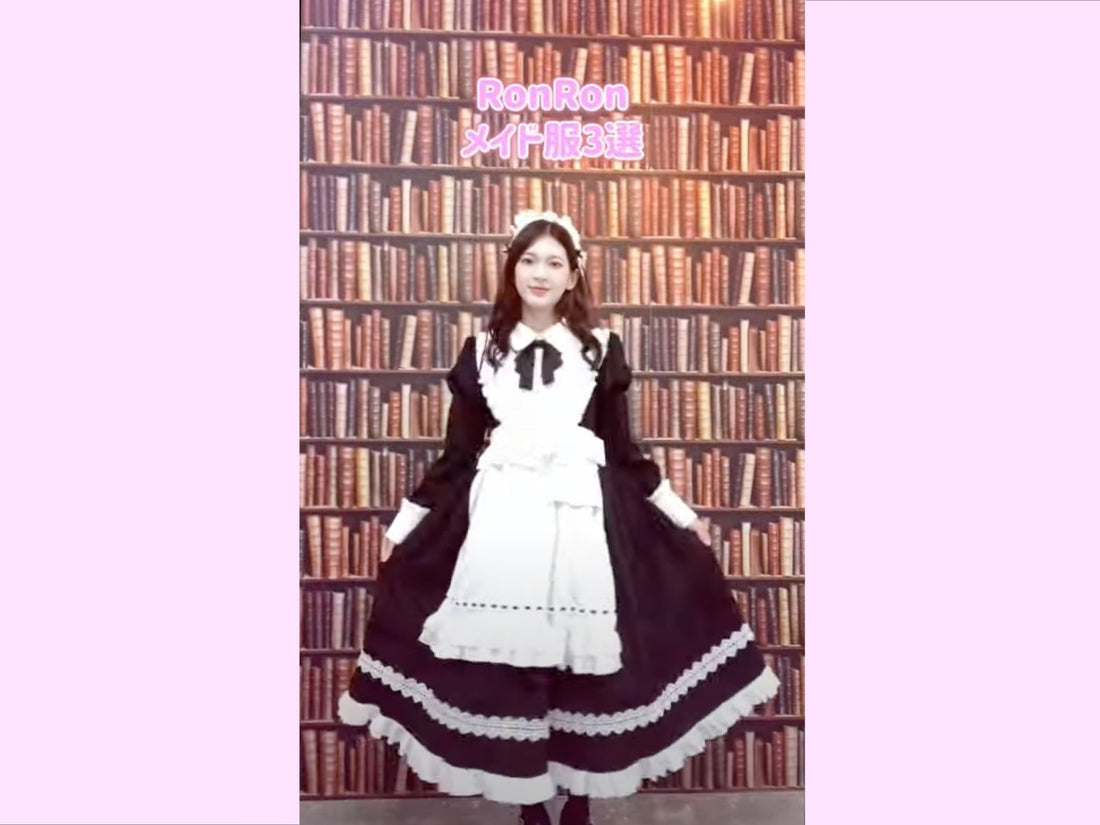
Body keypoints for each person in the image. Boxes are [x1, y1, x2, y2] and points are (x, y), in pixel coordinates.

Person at [338, 210, 780, 825]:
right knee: (512, 664)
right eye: (528, 260)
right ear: (512, 270)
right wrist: (403, 528)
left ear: (573, 276)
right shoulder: (482, 353)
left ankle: (580, 798)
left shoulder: (599, 352)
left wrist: (681, 515)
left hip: (582, 519)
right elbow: (457, 455)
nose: (540, 273)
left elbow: (623, 452)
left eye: (553, 262)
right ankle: (529, 803)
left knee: (583, 662)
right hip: (503, 522)